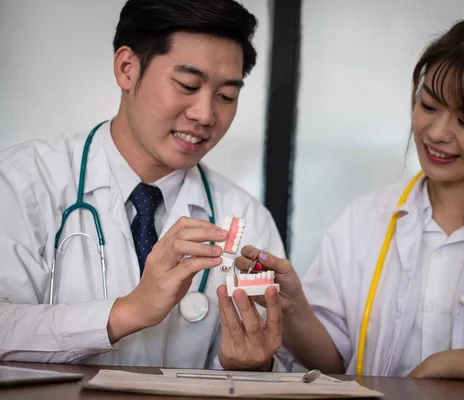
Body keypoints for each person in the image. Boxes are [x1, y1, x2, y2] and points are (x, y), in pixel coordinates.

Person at [216, 16, 464, 388]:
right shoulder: (363, 220)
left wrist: (448, 365)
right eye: (428, 106)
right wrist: (294, 306)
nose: (436, 133)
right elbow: (331, 362)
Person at [0, 0, 284, 368]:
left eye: (226, 96)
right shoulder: (23, 181)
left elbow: (284, 364)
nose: (205, 114)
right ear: (126, 69)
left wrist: (252, 369)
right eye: (187, 85)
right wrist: (128, 311)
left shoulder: (245, 217)